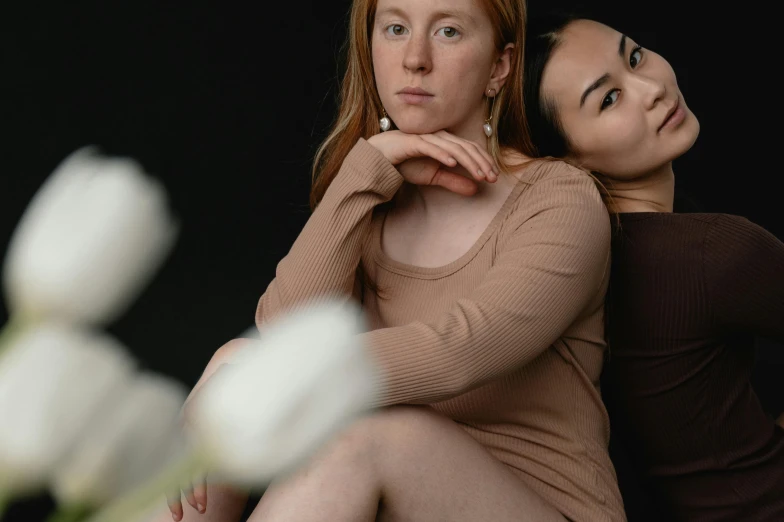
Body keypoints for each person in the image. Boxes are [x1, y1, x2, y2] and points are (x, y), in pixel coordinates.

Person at [157, 1, 627, 521]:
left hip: (538, 507)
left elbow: (460, 351)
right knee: (232, 377)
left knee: (362, 433)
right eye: (396, 29)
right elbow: (282, 330)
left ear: (500, 67)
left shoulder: (560, 199)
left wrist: (266, 372)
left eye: (448, 31)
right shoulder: (372, 204)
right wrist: (368, 168)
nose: (415, 58)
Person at [523, 12, 784, 521]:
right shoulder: (713, 252)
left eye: (634, 56)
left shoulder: (558, 268)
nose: (651, 88)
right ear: (567, 162)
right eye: (608, 98)